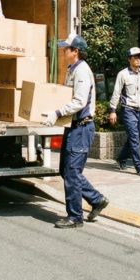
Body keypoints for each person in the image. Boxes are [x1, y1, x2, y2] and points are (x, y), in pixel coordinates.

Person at [43, 32, 109, 228]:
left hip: (82, 128)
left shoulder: (82, 71)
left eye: (67, 48)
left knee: (72, 172)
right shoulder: (72, 69)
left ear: (76, 51)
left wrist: (57, 112)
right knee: (66, 170)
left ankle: (75, 217)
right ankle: (96, 200)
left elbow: (79, 101)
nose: (64, 51)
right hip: (73, 128)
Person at [109, 47, 140, 176]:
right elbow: (116, 93)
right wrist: (113, 110)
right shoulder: (123, 74)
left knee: (135, 138)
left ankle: (122, 158)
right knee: (134, 139)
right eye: (135, 57)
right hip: (128, 110)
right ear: (129, 59)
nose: (138, 59)